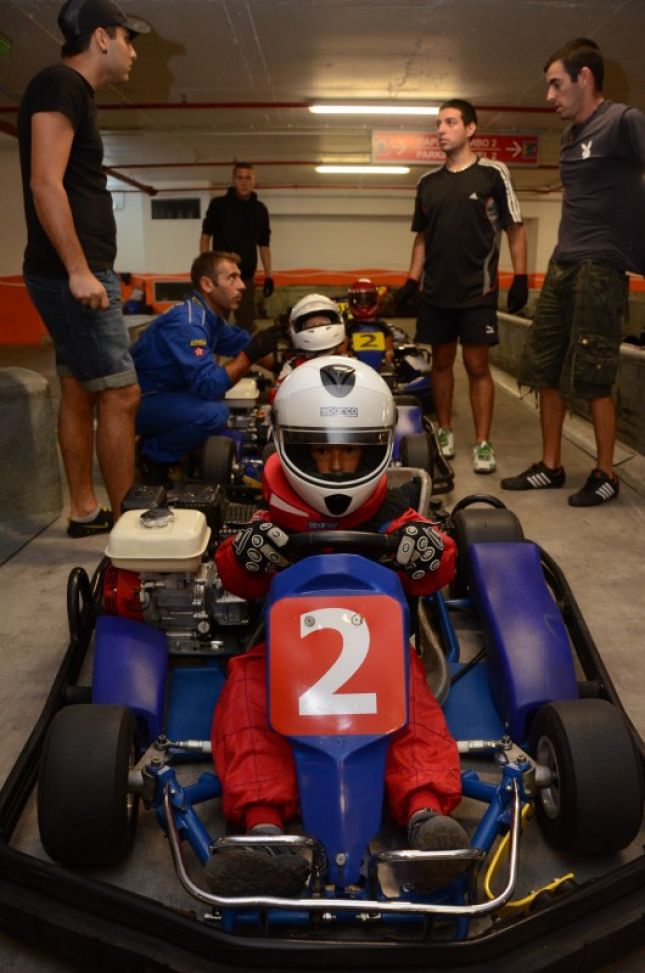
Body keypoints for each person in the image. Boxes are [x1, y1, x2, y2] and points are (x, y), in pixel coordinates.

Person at [205, 357, 469, 897]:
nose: (335, 463)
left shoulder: (391, 511)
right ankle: (264, 832)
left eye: (349, 451)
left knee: (412, 709)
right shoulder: (274, 515)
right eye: (320, 451)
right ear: (291, 448)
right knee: (247, 701)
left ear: (374, 450)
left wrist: (427, 550)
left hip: (381, 655)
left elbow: (440, 562)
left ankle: (426, 819)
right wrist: (247, 554)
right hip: (282, 657)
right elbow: (234, 573)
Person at [17, 0, 151, 536]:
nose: (133, 51)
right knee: (121, 392)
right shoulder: (62, 84)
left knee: (79, 388)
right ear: (101, 37)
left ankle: (85, 511)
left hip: (73, 271)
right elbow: (44, 182)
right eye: (127, 38)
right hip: (72, 274)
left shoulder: (69, 90)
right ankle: (130, 530)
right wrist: (78, 269)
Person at [501, 39, 645, 506]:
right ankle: (551, 466)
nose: (549, 95)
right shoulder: (569, 138)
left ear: (585, 78)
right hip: (563, 262)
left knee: (594, 370)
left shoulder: (623, 121)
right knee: (544, 366)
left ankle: (606, 474)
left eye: (556, 84)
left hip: (601, 266)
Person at [396, 99, 528, 474]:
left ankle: (483, 443)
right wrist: (412, 279)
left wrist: (520, 277)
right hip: (437, 292)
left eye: (450, 122)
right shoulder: (428, 183)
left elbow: (515, 228)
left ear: (470, 129)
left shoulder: (493, 174)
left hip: (477, 291)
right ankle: (445, 431)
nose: (441, 129)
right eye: (438, 123)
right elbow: (422, 237)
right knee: (440, 364)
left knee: (476, 366)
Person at [130, 251, 281, 485]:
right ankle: (152, 458)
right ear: (207, 284)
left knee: (217, 406)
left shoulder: (208, 318)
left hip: (163, 396)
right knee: (214, 413)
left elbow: (243, 343)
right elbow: (210, 385)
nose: (242, 285)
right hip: (139, 404)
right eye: (232, 278)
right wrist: (251, 354)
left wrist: (283, 364)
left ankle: (166, 446)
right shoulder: (189, 323)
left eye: (240, 277)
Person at [199, 163, 273, 334]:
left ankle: (243, 352)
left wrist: (269, 275)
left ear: (254, 181)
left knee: (246, 327)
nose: (244, 182)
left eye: (248, 178)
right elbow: (205, 236)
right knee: (216, 325)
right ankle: (213, 353)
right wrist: (206, 267)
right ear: (233, 180)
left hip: (246, 278)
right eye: (240, 178)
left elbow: (264, 244)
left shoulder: (260, 210)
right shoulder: (218, 205)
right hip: (220, 278)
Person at [275, 293, 348, 386]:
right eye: (311, 325)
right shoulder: (292, 367)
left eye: (322, 323)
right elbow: (279, 392)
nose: (318, 328)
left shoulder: (348, 362)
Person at [346, 277, 395, 366]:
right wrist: (345, 354)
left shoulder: (381, 325)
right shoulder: (349, 326)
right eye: (359, 301)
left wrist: (389, 352)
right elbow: (342, 349)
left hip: (382, 366)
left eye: (367, 301)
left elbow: (389, 344)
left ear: (375, 301)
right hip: (354, 364)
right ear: (352, 302)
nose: (363, 306)